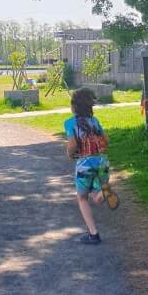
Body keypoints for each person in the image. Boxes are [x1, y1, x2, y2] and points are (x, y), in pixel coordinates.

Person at [64, 88, 119, 244]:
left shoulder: (70, 123)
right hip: (102, 162)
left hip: (85, 165)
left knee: (82, 198)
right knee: (97, 197)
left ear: (74, 106)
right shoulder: (95, 122)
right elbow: (106, 141)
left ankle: (93, 234)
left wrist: (69, 154)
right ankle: (105, 191)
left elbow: (73, 145)